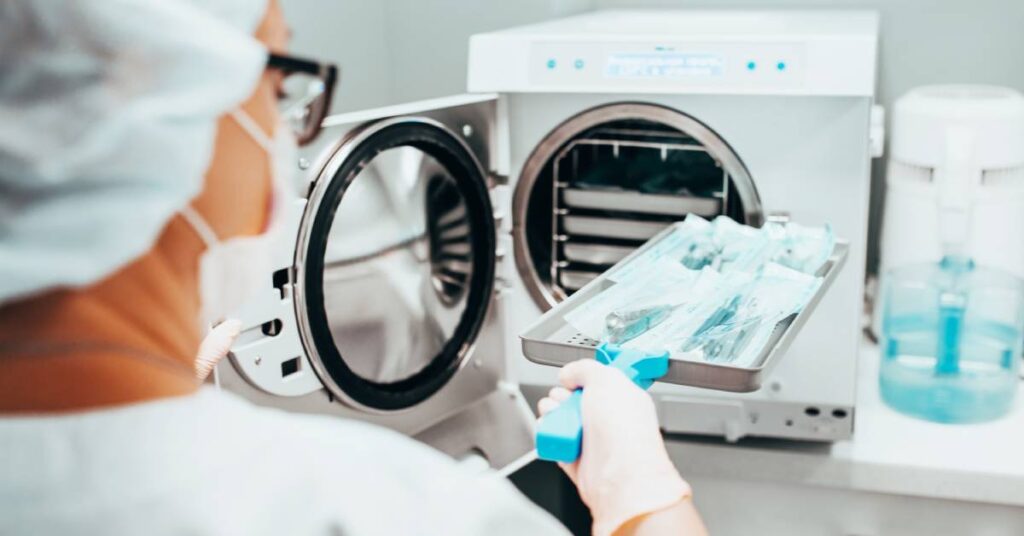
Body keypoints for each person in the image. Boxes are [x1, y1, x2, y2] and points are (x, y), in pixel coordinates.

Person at [0, 1, 707, 535]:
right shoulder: (384, 509)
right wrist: (639, 497)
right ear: (156, 120)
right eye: (279, 89)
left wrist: (145, 396)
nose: (288, 129)